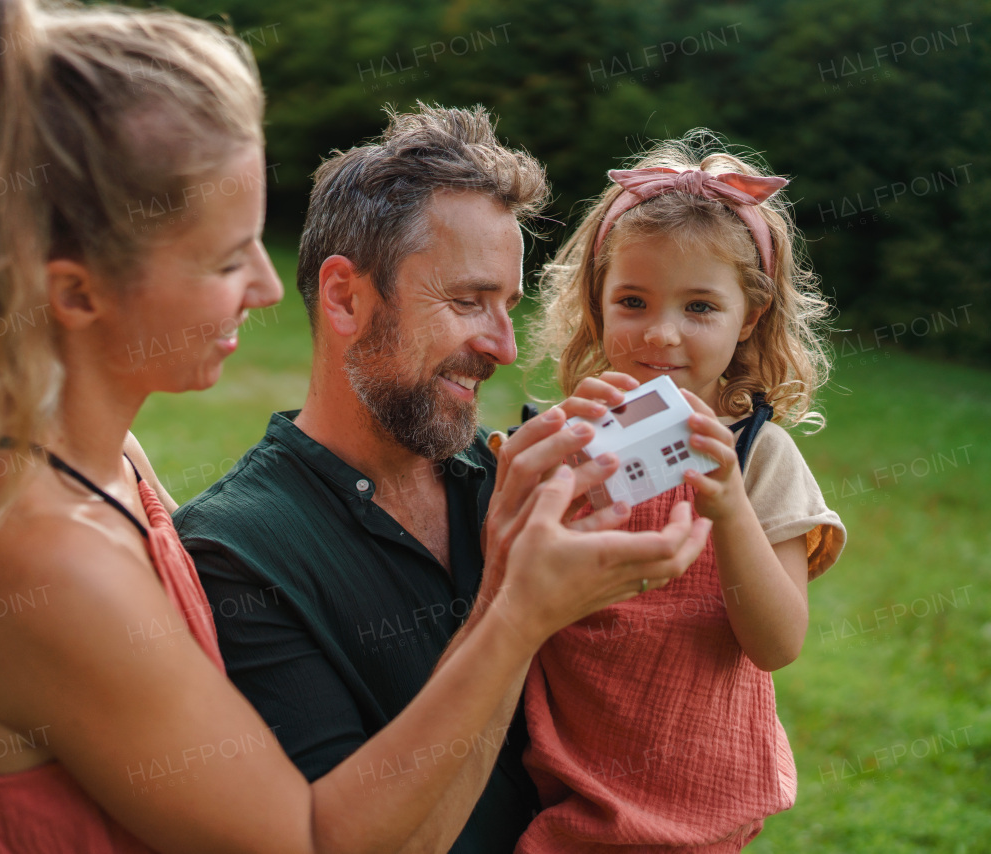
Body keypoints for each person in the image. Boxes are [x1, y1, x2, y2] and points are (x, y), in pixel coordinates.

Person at [0, 0, 711, 851]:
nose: (273, 289)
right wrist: (517, 612)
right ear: (74, 290)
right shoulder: (35, 556)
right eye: (230, 259)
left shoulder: (97, 458)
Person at [173, 105, 710, 854]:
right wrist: (512, 611)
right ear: (346, 298)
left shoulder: (513, 481)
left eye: (509, 306)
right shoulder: (238, 554)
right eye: (466, 301)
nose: (500, 345)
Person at [517, 131, 848, 852]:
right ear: (598, 306)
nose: (661, 335)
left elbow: (777, 642)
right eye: (633, 301)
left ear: (748, 318)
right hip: (563, 793)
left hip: (703, 805)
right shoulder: (563, 440)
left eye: (700, 308)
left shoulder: (759, 458)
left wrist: (726, 502)